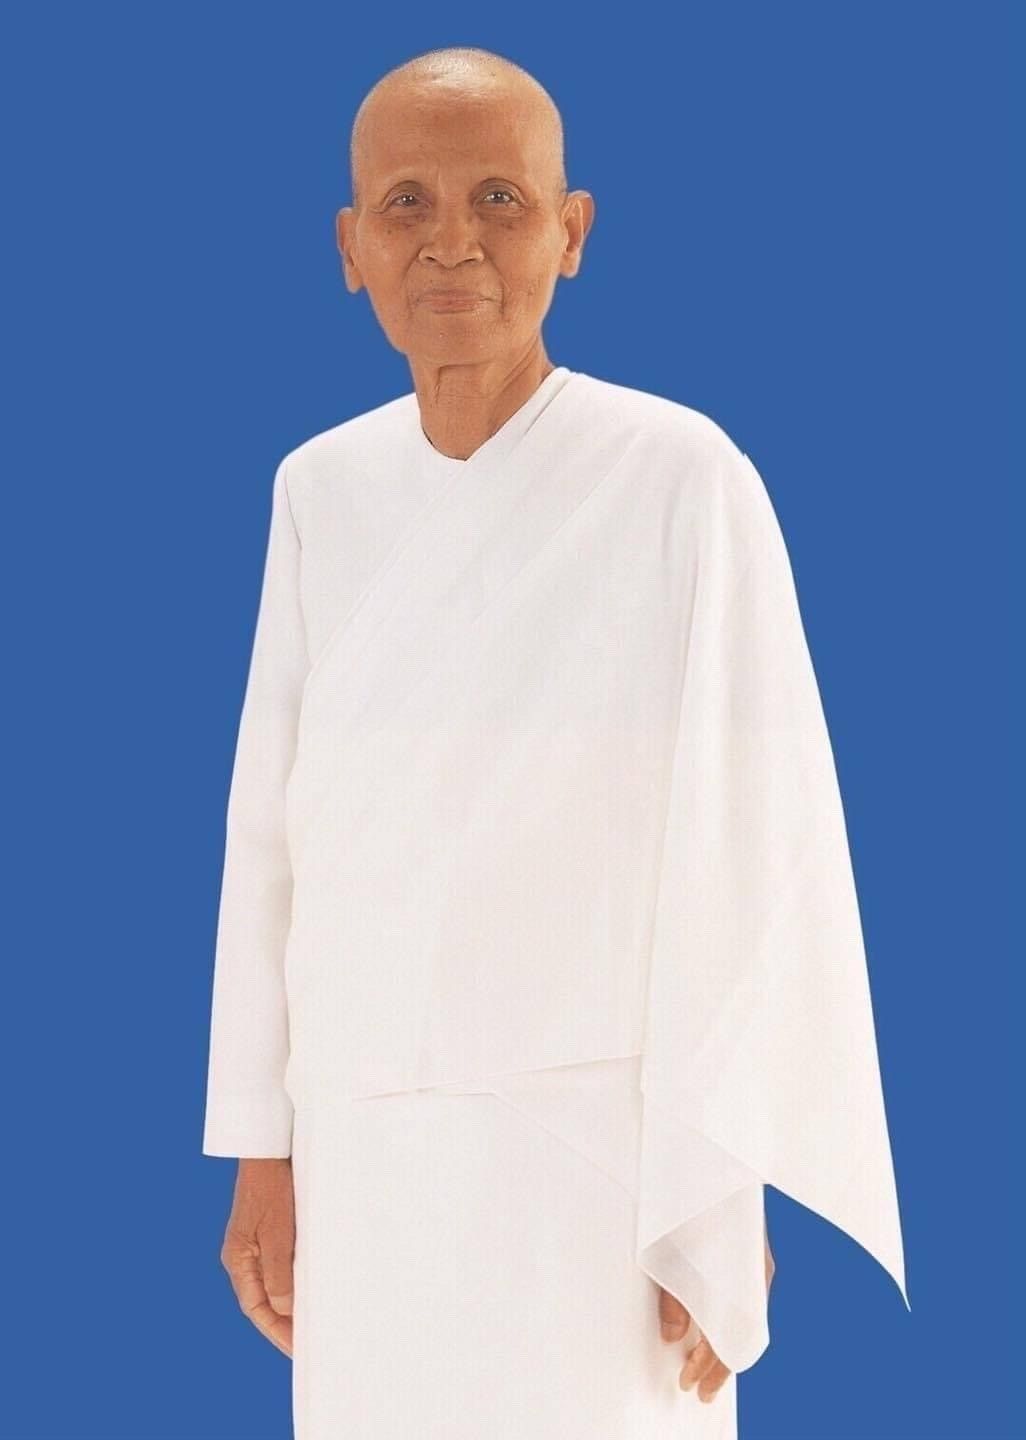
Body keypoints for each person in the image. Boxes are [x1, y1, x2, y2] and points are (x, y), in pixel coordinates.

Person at [201, 45, 908, 1440]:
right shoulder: (318, 491)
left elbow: (753, 841)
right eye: (405, 203)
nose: (450, 241)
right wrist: (262, 1150)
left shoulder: (679, 475)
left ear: (571, 232)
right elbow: (270, 840)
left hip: (600, 1154)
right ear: (349, 247)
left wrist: (714, 1182)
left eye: (498, 200)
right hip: (363, 1144)